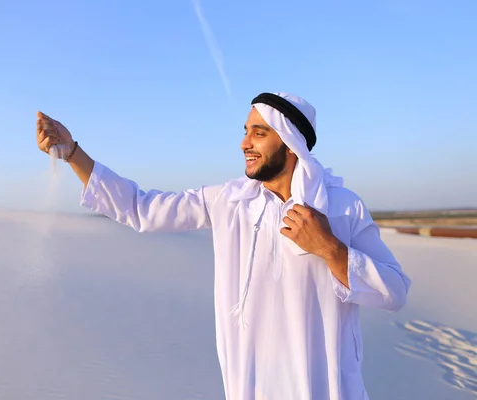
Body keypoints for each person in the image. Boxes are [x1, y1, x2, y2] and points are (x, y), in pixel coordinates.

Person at [35, 92, 411, 400]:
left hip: (323, 390)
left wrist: (331, 249)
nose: (244, 143)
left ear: (291, 143)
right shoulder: (229, 201)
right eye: (246, 131)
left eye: (259, 133)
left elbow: (395, 291)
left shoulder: (343, 208)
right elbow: (141, 208)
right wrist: (72, 153)